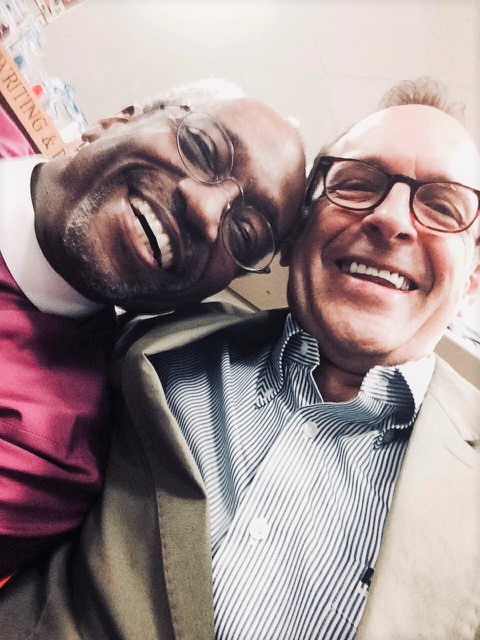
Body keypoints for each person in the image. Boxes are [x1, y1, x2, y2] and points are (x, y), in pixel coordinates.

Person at [1, 77, 479, 640]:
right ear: (301, 235)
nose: (393, 220)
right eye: (357, 184)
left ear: (474, 277)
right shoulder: (160, 350)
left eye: (444, 208)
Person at [0, 78, 306, 581]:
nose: (207, 212)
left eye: (245, 234)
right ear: (113, 122)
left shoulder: (48, 454)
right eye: (202, 149)